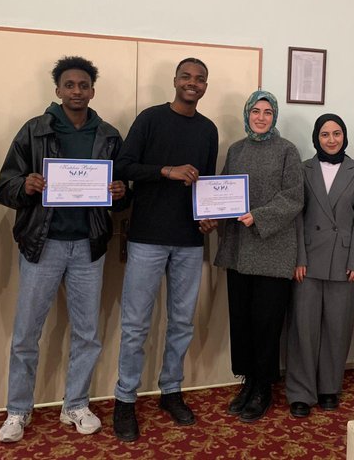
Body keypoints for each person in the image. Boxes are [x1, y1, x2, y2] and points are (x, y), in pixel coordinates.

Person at [0, 56, 128, 443]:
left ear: (93, 91)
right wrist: (25, 186)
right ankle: (18, 410)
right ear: (58, 90)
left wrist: (122, 192)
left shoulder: (108, 135)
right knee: (26, 334)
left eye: (83, 85)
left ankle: (76, 404)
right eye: (69, 85)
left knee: (88, 334)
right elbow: (4, 185)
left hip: (89, 247)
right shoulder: (34, 130)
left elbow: (121, 190)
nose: (76, 91)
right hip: (43, 245)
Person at [112, 58, 218, 442]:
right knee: (135, 324)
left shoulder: (208, 129)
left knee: (182, 323)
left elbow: (206, 182)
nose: (192, 83)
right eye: (186, 76)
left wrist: (208, 215)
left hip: (189, 240)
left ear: (205, 86)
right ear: (175, 80)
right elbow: (124, 166)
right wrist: (165, 170)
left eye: (200, 79)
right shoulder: (150, 119)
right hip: (147, 238)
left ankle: (171, 390)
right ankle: (125, 399)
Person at [211, 90, 303, 422]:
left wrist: (259, 216)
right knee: (242, 321)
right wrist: (211, 212)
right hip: (238, 250)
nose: (261, 117)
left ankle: (263, 387)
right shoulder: (236, 150)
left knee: (267, 323)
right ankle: (248, 381)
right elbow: (222, 190)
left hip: (272, 250)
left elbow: (294, 197)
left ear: (274, 116)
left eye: (267, 112)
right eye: (256, 111)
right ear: (247, 114)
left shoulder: (287, 150)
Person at [286, 114, 354, 418]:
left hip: (344, 262)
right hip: (307, 261)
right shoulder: (302, 169)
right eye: (325, 134)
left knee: (337, 327)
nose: (331, 139)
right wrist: (298, 257)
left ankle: (329, 388)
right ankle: (300, 391)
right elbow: (296, 218)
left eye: (337, 133)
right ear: (316, 138)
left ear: (344, 137)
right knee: (303, 328)